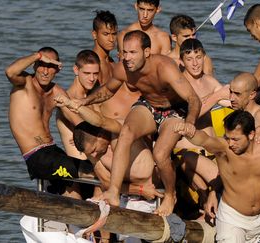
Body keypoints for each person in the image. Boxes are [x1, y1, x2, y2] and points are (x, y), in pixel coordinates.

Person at [79, 30, 202, 216]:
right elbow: (107, 91)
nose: (127, 58)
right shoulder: (123, 69)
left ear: (146, 52)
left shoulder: (165, 67)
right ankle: (113, 191)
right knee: (126, 132)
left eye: (133, 53)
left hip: (175, 110)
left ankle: (170, 195)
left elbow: (194, 99)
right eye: (125, 52)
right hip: (149, 106)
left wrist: (190, 122)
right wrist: (84, 102)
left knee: (160, 155)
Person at [175, 110, 260, 242]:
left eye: (235, 139)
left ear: (251, 135)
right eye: (228, 137)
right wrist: (189, 132)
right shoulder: (223, 148)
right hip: (232, 220)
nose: (230, 143)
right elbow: (204, 139)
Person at [5, 47, 93, 197]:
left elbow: (77, 120)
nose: (45, 71)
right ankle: (139, 190)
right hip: (36, 157)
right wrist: (38, 55)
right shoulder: (24, 84)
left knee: (87, 185)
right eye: (42, 64)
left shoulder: (56, 92)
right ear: (34, 66)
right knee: (92, 173)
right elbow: (10, 72)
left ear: (57, 69)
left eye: (50, 66)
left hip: (53, 152)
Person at [174, 39, 228, 204]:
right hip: (187, 151)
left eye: (198, 57)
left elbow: (230, 101)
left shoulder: (209, 81)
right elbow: (190, 116)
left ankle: (206, 204)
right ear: (182, 61)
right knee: (224, 182)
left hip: (211, 150)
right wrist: (216, 96)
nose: (195, 63)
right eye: (189, 59)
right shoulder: (180, 84)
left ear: (204, 56)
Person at [56, 50, 100, 161]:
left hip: (96, 158)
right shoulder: (67, 99)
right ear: (76, 70)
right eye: (86, 73)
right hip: (80, 163)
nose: (91, 79)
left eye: (95, 74)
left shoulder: (92, 96)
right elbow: (88, 133)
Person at [92, 10, 118, 85]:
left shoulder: (111, 62)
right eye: (106, 34)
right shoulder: (93, 63)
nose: (111, 39)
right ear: (94, 34)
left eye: (114, 34)